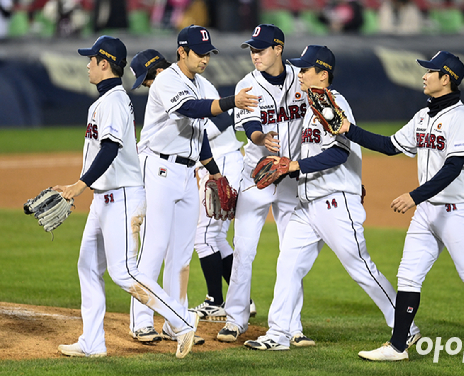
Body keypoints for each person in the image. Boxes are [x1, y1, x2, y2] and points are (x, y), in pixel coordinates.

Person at [344, 51, 464, 365]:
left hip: (457, 210)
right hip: (428, 211)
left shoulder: (460, 118)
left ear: (446, 78)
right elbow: (389, 146)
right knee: (408, 276)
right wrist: (347, 129)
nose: (424, 75)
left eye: (430, 71)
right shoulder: (423, 116)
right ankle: (398, 346)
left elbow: (453, 168)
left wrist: (414, 195)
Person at [242, 45, 421, 351]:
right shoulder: (310, 107)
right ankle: (279, 334)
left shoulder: (334, 104)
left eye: (306, 69)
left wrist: (295, 166)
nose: (299, 73)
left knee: (360, 267)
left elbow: (339, 151)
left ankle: (405, 325)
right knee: (288, 264)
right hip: (308, 204)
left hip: (335, 202)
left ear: (322, 74)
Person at [54, 35, 200, 359]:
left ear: (104, 64)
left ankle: (181, 321)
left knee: (125, 273)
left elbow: (109, 149)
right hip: (105, 199)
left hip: (120, 198)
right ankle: (92, 342)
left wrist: (78, 185)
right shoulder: (106, 101)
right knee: (88, 265)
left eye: (91, 59)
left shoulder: (114, 102)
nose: (87, 64)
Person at [128, 25, 258, 343]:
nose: (205, 59)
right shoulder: (166, 80)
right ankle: (141, 321)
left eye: (208, 53)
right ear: (181, 52)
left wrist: (213, 172)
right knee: (155, 246)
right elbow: (190, 109)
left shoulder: (199, 82)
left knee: (182, 254)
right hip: (159, 168)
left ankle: (176, 323)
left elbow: (197, 134)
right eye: (199, 53)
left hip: (187, 173)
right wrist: (231, 102)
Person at [216, 24, 312, 346]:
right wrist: (262, 138)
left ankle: (291, 325)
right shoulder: (248, 84)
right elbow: (251, 128)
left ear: (279, 49)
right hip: (256, 176)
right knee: (243, 250)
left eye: (261, 48)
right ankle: (235, 320)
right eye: (252, 49)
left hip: (292, 180)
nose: (255, 54)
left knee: (292, 255)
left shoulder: (302, 78)